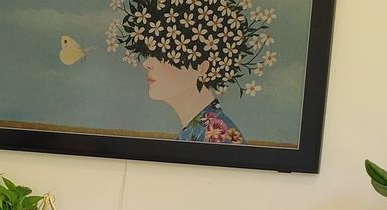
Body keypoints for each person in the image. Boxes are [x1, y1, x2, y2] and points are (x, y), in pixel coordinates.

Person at [107, 0, 277, 144]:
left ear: (202, 68)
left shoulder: (217, 135)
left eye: (163, 54)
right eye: (149, 52)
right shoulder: (201, 130)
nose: (147, 63)